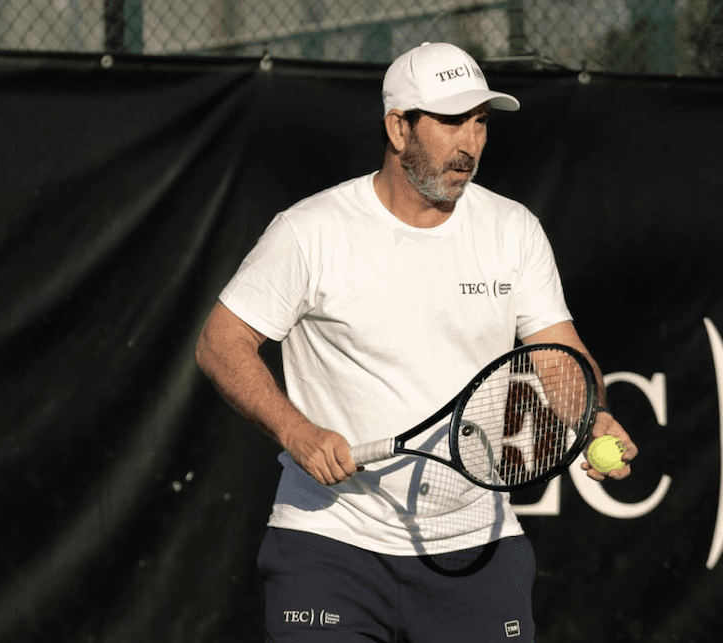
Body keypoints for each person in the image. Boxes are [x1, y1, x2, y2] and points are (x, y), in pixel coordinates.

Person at [196, 41, 638, 643]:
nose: (471, 144)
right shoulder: (310, 232)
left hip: (479, 547)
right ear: (398, 127)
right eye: (452, 121)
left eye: (480, 121)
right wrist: (297, 432)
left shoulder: (513, 231)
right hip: (332, 546)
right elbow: (221, 343)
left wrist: (593, 415)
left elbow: (555, 351)